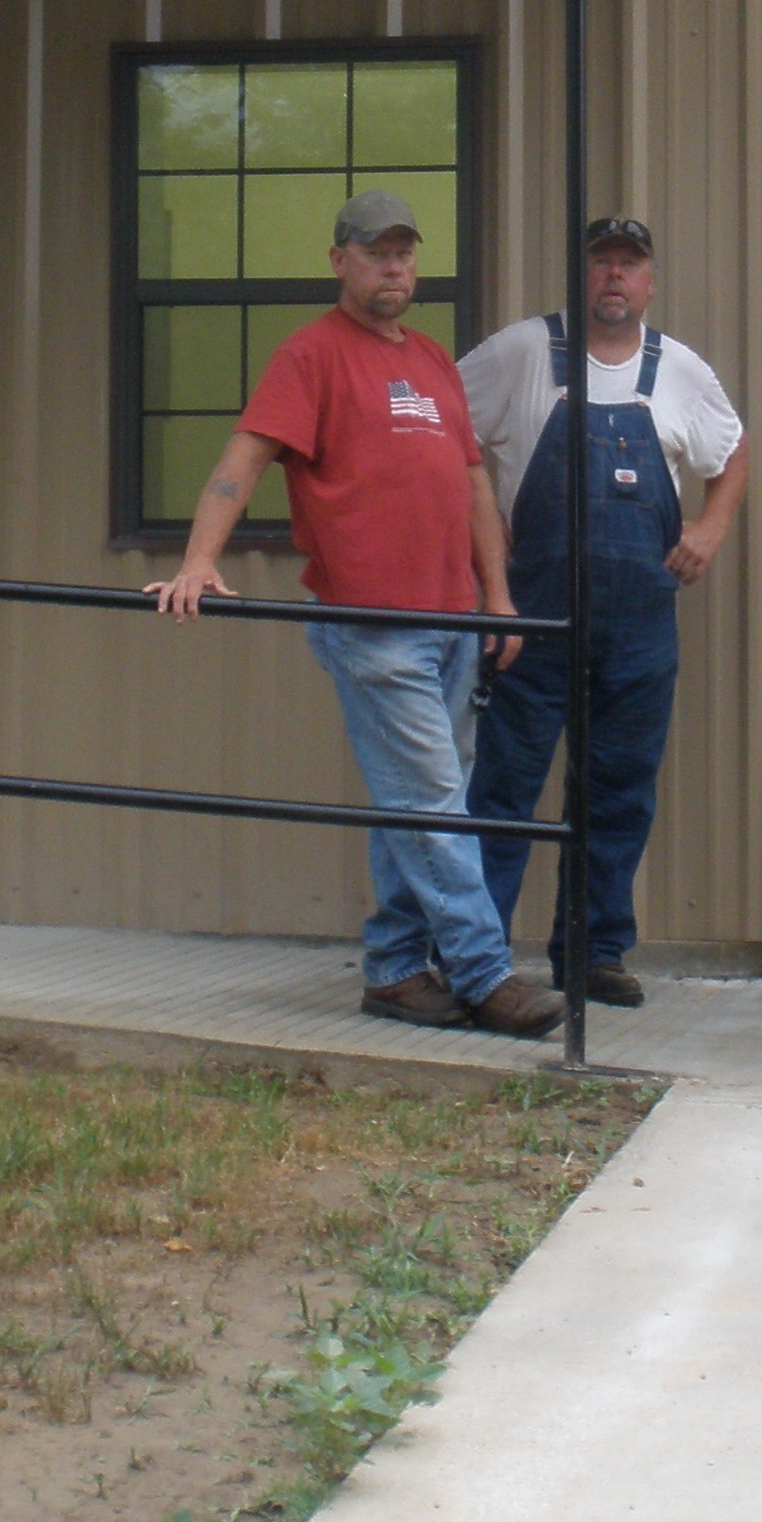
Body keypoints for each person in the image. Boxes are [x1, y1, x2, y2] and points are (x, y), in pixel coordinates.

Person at [148, 190, 564, 1039]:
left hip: (457, 623)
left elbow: (474, 483)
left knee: (415, 801)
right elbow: (244, 460)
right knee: (434, 801)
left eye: (406, 253)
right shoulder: (310, 358)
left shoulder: (436, 363)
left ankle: (398, 969)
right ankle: (484, 975)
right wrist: (199, 559)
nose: (395, 267)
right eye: (378, 252)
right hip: (372, 625)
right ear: (340, 261)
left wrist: (498, 598)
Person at [457, 219, 751, 1007]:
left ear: (649, 282)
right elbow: (446, 432)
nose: (613, 277)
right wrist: (485, 530)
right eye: (600, 263)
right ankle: (476, 958)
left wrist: (710, 528)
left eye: (629, 264)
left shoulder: (681, 371)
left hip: (640, 628)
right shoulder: (523, 353)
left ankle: (593, 954)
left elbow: (732, 454)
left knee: (618, 789)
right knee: (505, 785)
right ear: (578, 277)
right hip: (533, 616)